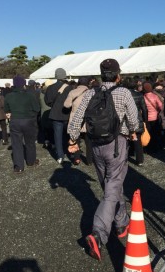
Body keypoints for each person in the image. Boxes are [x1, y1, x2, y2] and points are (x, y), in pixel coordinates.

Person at [67, 58, 139, 261]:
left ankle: (122, 222)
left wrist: (72, 140)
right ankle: (98, 234)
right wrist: (134, 131)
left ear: (100, 75)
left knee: (110, 186)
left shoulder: (90, 93)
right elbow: (133, 118)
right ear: (118, 75)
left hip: (95, 146)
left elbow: (76, 120)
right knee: (112, 188)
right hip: (117, 145)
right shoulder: (123, 92)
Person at [4, 76, 41, 173]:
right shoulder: (30, 95)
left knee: (16, 144)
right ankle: (31, 161)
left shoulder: (8, 96)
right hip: (29, 120)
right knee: (30, 142)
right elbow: (37, 108)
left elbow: (6, 110)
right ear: (24, 84)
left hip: (15, 121)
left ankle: (19, 166)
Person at [44, 68, 73, 164]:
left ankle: (60, 156)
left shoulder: (50, 88)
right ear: (65, 76)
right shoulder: (70, 88)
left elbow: (47, 101)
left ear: (56, 76)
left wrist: (54, 106)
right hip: (68, 113)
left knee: (57, 135)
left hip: (55, 114)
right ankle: (71, 152)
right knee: (69, 134)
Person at [63, 76, 93, 165]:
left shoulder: (72, 92)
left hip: (75, 118)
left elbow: (66, 105)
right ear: (88, 83)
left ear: (79, 83)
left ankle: (77, 158)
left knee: (75, 138)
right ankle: (89, 160)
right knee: (89, 140)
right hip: (87, 119)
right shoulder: (91, 92)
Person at [124, 77, 148, 166]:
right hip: (137, 118)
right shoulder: (139, 95)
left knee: (125, 140)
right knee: (138, 141)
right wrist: (145, 120)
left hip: (125, 119)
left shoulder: (124, 95)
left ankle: (126, 156)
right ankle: (140, 160)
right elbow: (144, 109)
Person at [142, 81, 163, 153]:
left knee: (148, 133)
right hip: (155, 117)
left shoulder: (143, 97)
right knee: (155, 133)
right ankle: (156, 147)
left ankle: (149, 147)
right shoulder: (155, 96)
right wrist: (158, 111)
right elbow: (160, 106)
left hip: (146, 118)